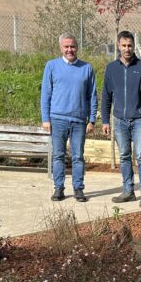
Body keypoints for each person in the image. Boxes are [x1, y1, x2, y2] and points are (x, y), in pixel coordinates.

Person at [101, 30, 141, 207]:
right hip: (119, 120)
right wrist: (104, 120)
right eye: (124, 45)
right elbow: (106, 96)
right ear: (118, 46)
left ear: (133, 46)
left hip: (140, 119)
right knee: (124, 156)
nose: (127, 49)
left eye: (130, 46)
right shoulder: (111, 68)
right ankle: (128, 191)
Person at [41, 32, 97, 202]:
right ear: (61, 48)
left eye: (72, 46)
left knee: (78, 156)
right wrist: (46, 118)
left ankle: (78, 188)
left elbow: (92, 95)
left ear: (77, 47)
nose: (69, 50)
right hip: (57, 119)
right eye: (66, 47)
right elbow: (46, 94)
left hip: (79, 120)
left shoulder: (87, 68)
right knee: (58, 155)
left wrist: (92, 119)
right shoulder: (51, 66)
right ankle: (59, 188)